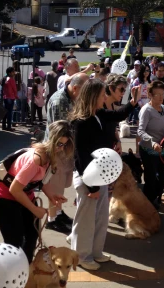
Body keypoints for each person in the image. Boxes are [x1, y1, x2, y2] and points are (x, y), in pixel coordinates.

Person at [69, 80, 133, 271]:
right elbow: (80, 156)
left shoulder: (98, 114)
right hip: (88, 178)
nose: (105, 97)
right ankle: (81, 256)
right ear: (93, 97)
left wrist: (134, 101)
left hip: (100, 176)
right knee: (86, 221)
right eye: (102, 95)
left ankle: (95, 252)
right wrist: (92, 187)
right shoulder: (80, 122)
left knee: (101, 217)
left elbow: (119, 114)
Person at [0, 121, 74, 262]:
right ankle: (10, 274)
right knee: (14, 243)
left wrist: (51, 196)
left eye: (65, 145)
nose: (61, 148)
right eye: (59, 144)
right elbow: (15, 189)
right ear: (50, 139)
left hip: (23, 195)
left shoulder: (49, 155)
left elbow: (40, 181)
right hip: (4, 198)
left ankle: (26, 270)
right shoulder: (36, 159)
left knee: (32, 235)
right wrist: (35, 209)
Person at [43, 73, 90, 233]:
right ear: (75, 88)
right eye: (84, 92)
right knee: (55, 185)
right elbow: (62, 131)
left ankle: (58, 212)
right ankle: (52, 219)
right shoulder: (59, 101)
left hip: (67, 149)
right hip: (58, 150)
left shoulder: (71, 97)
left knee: (61, 185)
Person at [137, 80, 164, 210]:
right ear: (150, 95)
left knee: (162, 178)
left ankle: (156, 198)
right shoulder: (147, 110)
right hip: (149, 150)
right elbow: (140, 131)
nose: (161, 97)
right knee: (150, 179)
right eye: (157, 94)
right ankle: (147, 203)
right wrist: (152, 142)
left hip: (162, 150)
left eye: (163, 94)